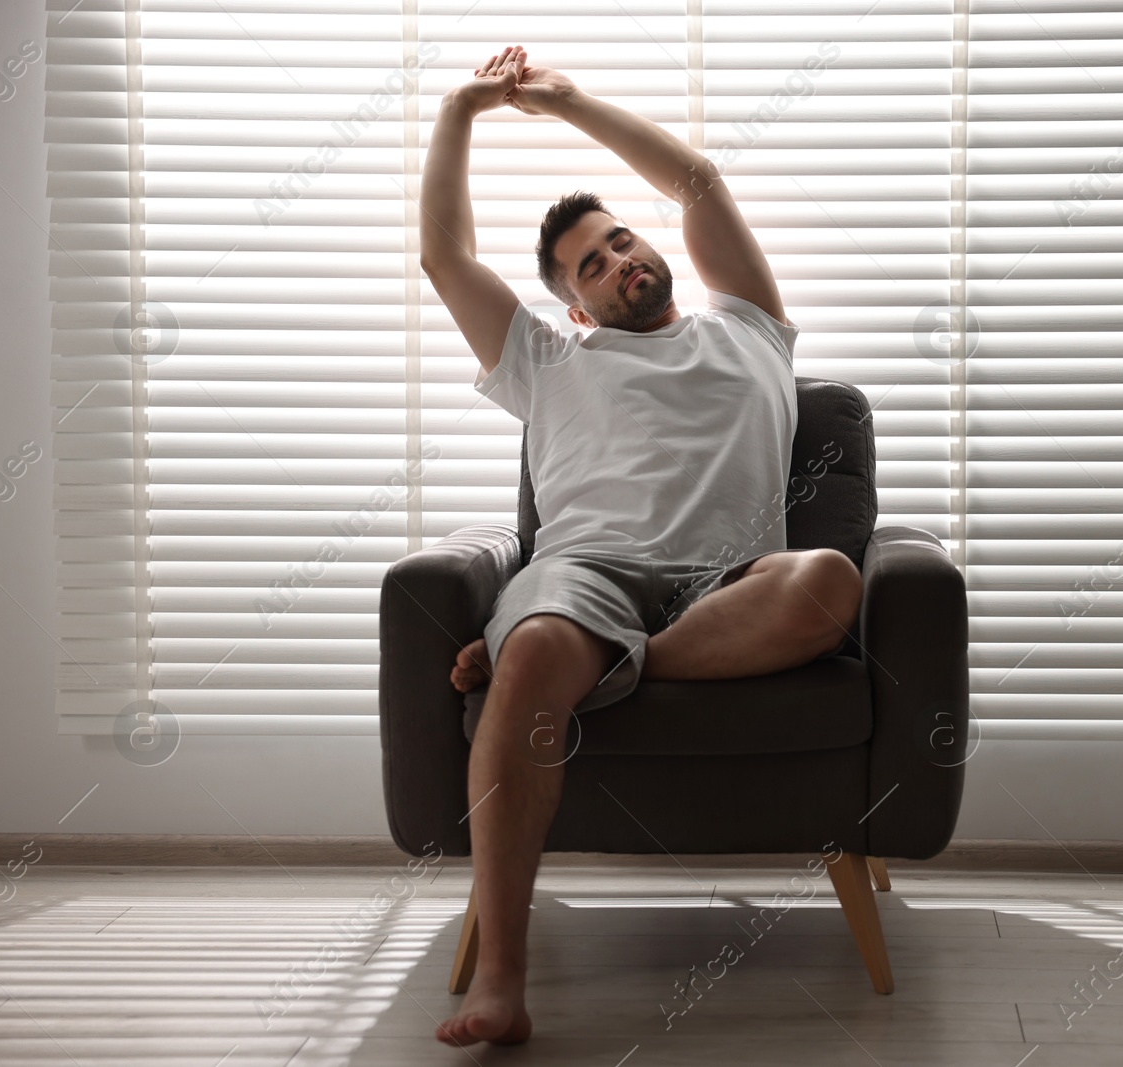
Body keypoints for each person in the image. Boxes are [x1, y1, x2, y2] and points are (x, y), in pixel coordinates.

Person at [418, 45, 864, 1047]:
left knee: (828, 579)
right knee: (538, 642)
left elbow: (699, 183)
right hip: (590, 573)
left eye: (620, 240)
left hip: (735, 583)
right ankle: (499, 975)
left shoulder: (749, 327)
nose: (619, 261)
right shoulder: (545, 358)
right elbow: (445, 259)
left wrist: (570, 102)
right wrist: (461, 108)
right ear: (574, 304)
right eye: (592, 264)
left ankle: (601, 667)